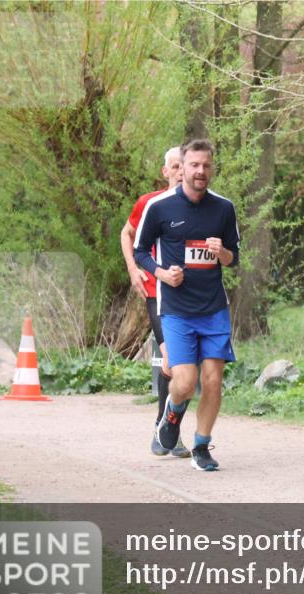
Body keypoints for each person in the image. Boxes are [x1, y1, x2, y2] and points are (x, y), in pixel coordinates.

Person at [133, 139, 240, 472]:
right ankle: (171, 414)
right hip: (177, 310)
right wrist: (162, 273)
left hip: (214, 309)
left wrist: (221, 253)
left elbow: (233, 257)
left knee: (212, 380)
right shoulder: (160, 207)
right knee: (184, 382)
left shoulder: (224, 208)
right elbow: (140, 251)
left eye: (206, 165)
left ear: (212, 168)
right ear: (182, 168)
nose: (200, 171)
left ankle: (202, 445)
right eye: (194, 165)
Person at [120, 146, 189, 457]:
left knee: (182, 367)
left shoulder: (201, 206)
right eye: (174, 167)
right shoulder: (149, 203)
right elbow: (127, 233)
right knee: (174, 360)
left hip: (190, 296)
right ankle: (165, 428)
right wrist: (134, 270)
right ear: (166, 172)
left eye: (182, 167)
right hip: (156, 293)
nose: (178, 172)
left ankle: (168, 428)